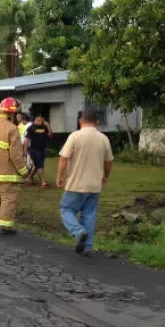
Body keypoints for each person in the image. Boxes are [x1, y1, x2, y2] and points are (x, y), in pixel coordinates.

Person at [56, 109, 114, 256]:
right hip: (94, 185)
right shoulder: (103, 138)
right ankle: (87, 247)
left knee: (66, 209)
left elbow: (64, 158)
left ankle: (78, 231)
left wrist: (59, 177)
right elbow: (109, 162)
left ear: (81, 121)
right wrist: (105, 176)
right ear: (97, 122)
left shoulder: (75, 136)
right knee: (89, 215)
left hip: (75, 184)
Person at [0, 97, 29, 235]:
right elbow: (16, 155)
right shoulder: (12, 129)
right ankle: (5, 227)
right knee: (8, 199)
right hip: (7, 174)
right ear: (12, 114)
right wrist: (24, 172)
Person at [23, 115, 51, 188]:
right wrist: (25, 149)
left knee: (38, 165)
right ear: (34, 120)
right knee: (39, 165)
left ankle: (29, 178)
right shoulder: (31, 128)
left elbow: (50, 135)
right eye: (38, 120)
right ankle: (43, 182)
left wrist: (48, 126)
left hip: (42, 149)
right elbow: (27, 139)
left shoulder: (44, 127)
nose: (39, 121)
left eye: (41, 120)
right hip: (33, 149)